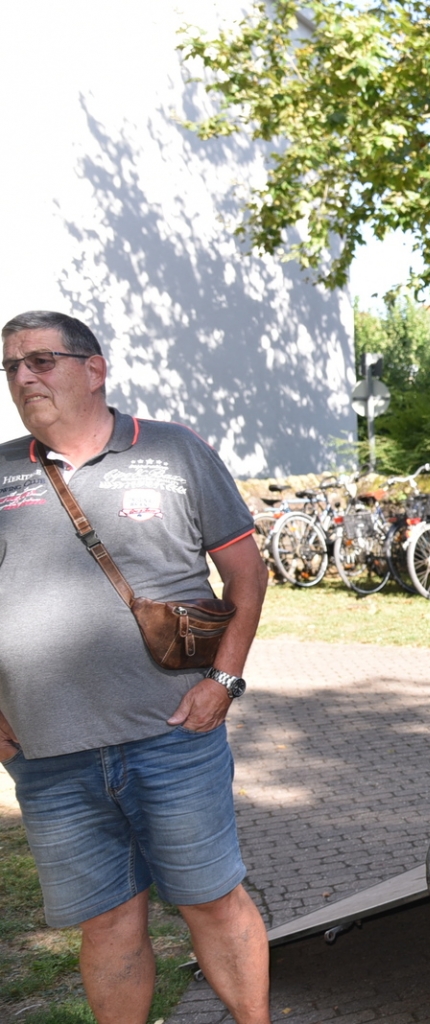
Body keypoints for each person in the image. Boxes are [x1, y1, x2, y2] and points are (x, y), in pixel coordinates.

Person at [0, 311, 269, 1024]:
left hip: (172, 737)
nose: (23, 376)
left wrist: (224, 681)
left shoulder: (174, 451)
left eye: (41, 360)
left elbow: (246, 573)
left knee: (211, 903)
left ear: (94, 369)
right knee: (107, 925)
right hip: (48, 753)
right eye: (11, 367)